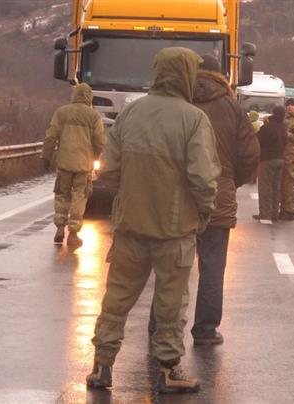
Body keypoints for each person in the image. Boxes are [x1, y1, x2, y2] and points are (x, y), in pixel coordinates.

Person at [87, 47, 221, 394]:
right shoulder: (193, 119)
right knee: (170, 304)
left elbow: (110, 171)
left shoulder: (130, 114)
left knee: (116, 299)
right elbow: (203, 179)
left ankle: (102, 365)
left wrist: (130, 198)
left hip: (131, 226)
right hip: (175, 231)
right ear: (187, 75)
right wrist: (202, 212)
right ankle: (168, 369)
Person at [185, 55, 259, 345]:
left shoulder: (179, 100)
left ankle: (161, 329)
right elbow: (251, 152)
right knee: (212, 265)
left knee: (168, 267)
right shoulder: (232, 107)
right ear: (221, 76)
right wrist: (230, 179)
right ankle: (204, 330)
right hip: (219, 193)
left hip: (180, 194)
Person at [41, 83, 106, 247]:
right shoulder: (94, 116)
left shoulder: (62, 112)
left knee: (62, 195)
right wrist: (97, 156)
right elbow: (100, 141)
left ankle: (60, 227)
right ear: (89, 97)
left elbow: (51, 136)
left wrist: (46, 157)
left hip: (64, 163)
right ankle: (73, 233)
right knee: (79, 196)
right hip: (83, 165)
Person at [253, 106, 286, 223]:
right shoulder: (283, 128)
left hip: (267, 159)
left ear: (273, 114)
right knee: (276, 188)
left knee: (265, 187)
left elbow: (257, 140)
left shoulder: (267, 127)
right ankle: (274, 213)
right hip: (280, 160)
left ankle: (265, 214)